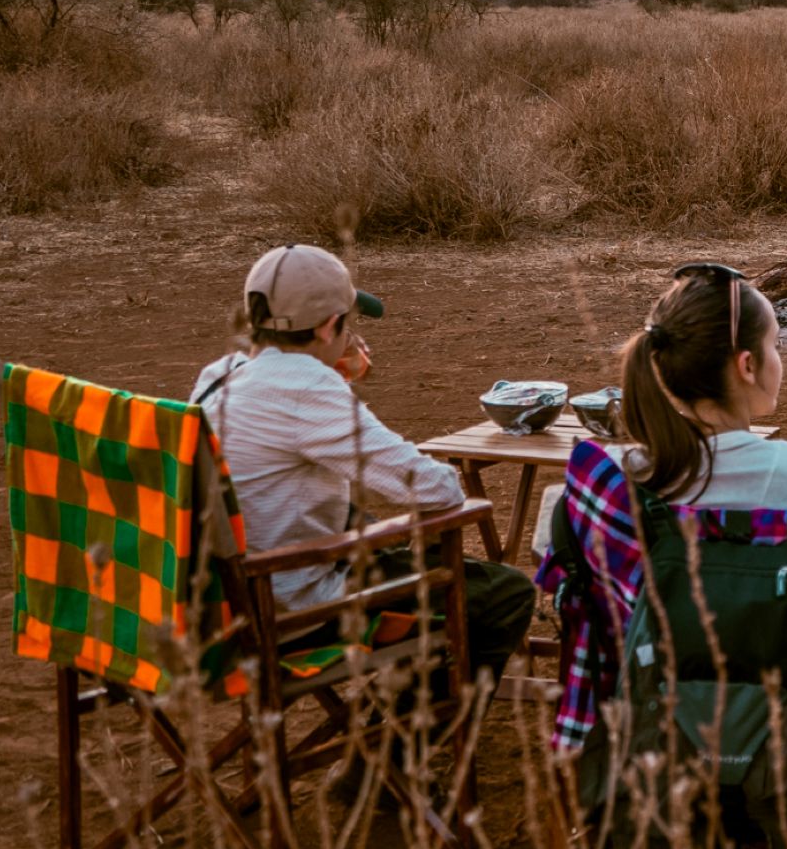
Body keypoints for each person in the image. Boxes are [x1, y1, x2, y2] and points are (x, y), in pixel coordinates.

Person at [536, 264, 787, 849]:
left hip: (649, 721)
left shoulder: (605, 484)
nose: (778, 359)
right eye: (775, 346)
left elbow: (581, 597)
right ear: (746, 365)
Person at [192, 244, 534, 698]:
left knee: (361, 521)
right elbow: (435, 489)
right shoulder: (307, 388)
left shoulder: (220, 376)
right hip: (290, 606)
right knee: (504, 593)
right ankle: (390, 756)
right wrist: (334, 389)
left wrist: (332, 381)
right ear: (331, 325)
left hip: (219, 598)